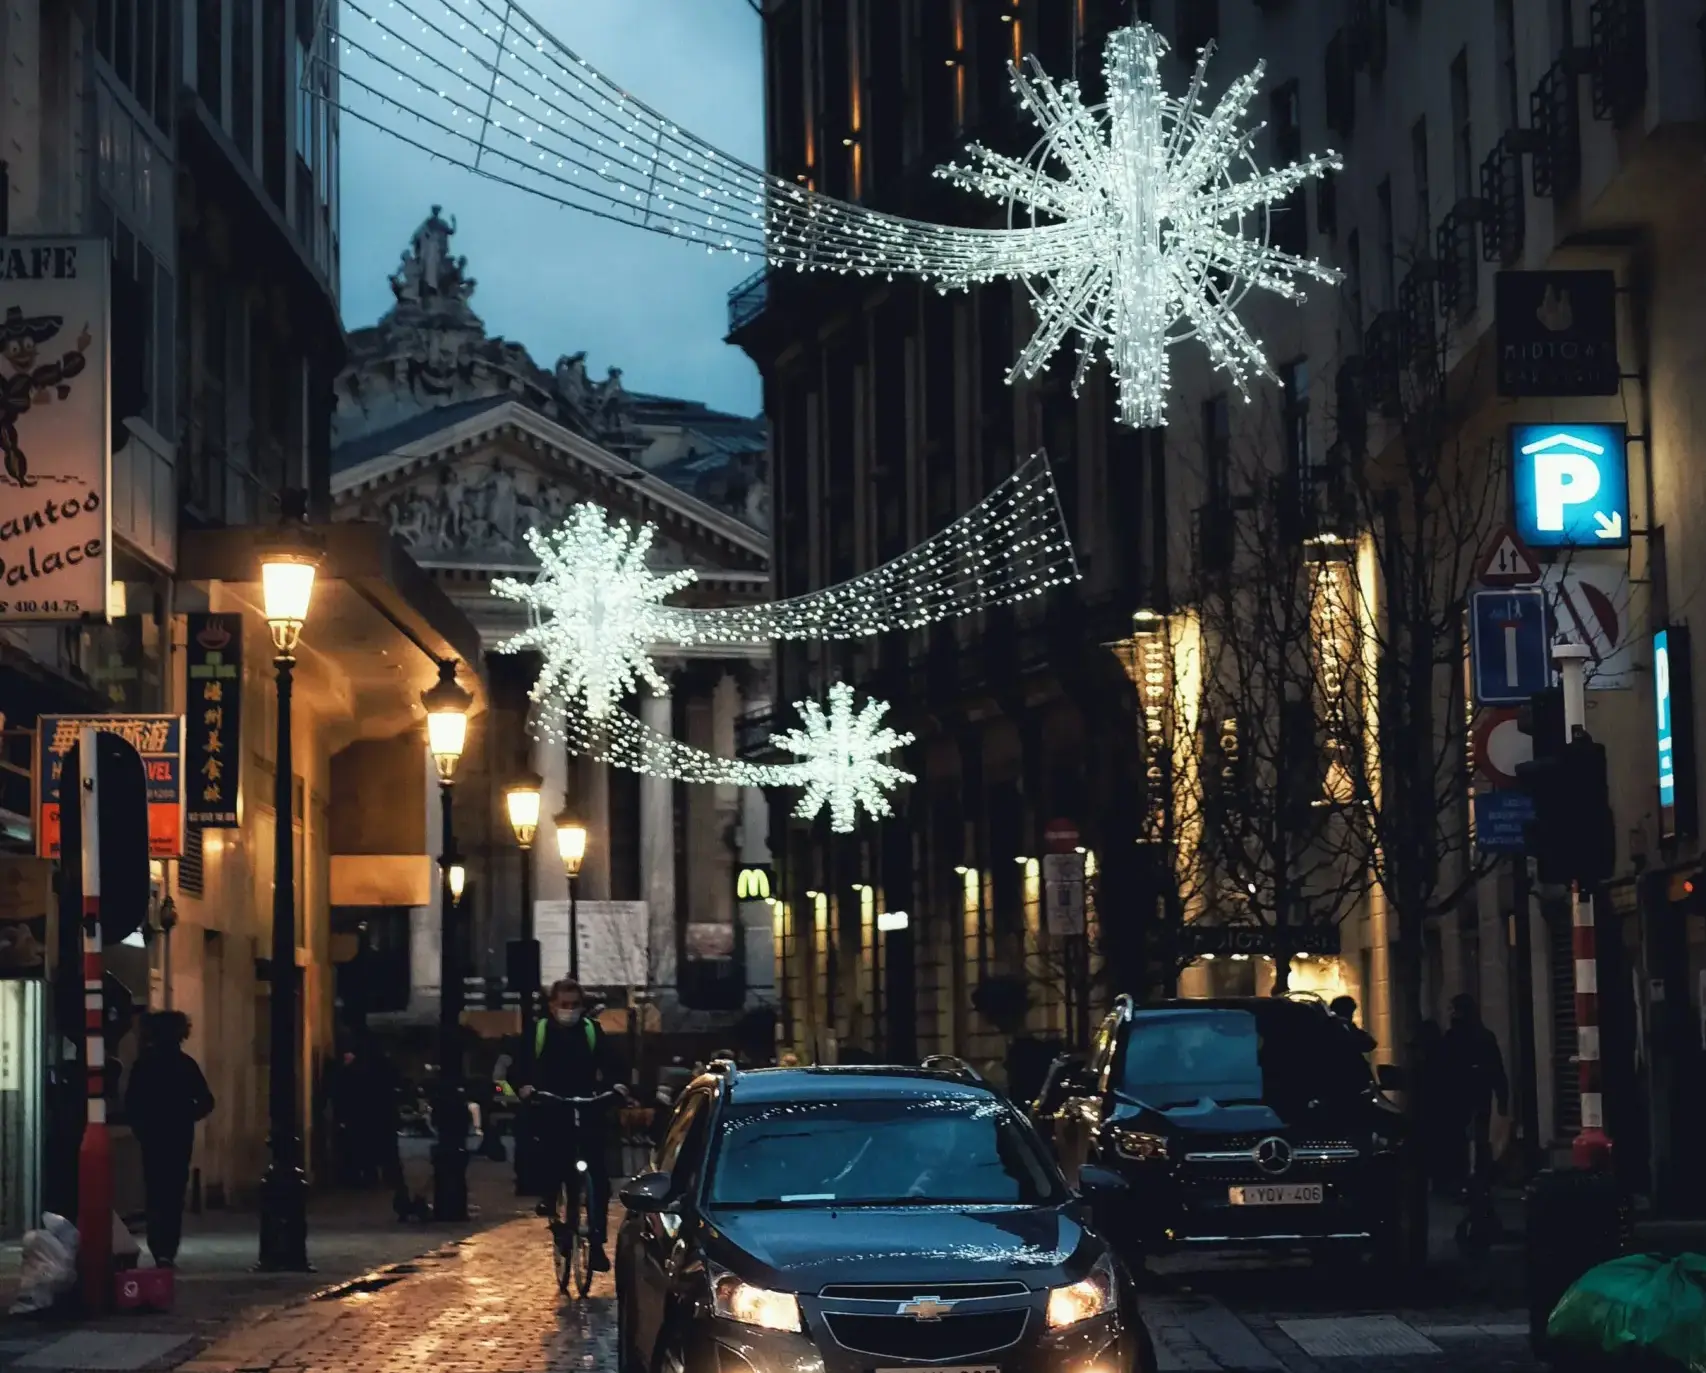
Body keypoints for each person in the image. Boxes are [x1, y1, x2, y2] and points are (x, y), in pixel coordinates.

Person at [505, 979, 627, 1271]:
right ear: (552, 1006)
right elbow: (518, 1068)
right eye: (564, 1005)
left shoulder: (590, 1031)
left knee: (598, 1176)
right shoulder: (539, 1032)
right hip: (551, 1105)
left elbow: (612, 1063)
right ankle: (553, 1207)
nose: (569, 1011)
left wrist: (619, 1086)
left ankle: (596, 1244)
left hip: (587, 1106)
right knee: (553, 1161)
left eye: (575, 1005)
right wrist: (524, 1087)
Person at [124, 1012, 214, 1268]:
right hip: (178, 1137)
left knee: (155, 1192)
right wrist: (187, 1116)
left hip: (153, 1137)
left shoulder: (144, 1065)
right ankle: (167, 1249)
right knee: (173, 1194)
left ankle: (158, 1246)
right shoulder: (185, 1064)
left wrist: (142, 1127)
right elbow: (207, 1101)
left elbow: (132, 1103)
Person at [1437, 995, 1509, 1195]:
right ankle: (1479, 1178)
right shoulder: (1483, 1035)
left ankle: (1465, 1180)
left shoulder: (1453, 1036)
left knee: (1462, 1138)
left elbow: (1443, 1068)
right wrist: (1502, 1095)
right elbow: (1496, 1068)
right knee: (1479, 1137)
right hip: (1477, 1091)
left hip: (1459, 1094)